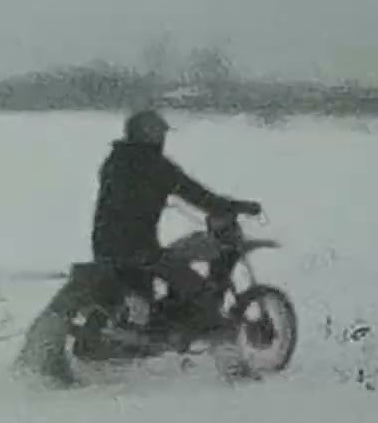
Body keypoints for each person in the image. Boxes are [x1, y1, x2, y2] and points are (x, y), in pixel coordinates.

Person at [91, 109, 262, 334]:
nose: (163, 139)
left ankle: (158, 324)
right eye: (160, 134)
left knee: (158, 279)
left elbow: (126, 196)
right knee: (197, 288)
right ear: (149, 135)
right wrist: (232, 207)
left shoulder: (115, 161)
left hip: (105, 245)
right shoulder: (155, 165)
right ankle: (174, 330)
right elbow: (196, 194)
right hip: (140, 249)